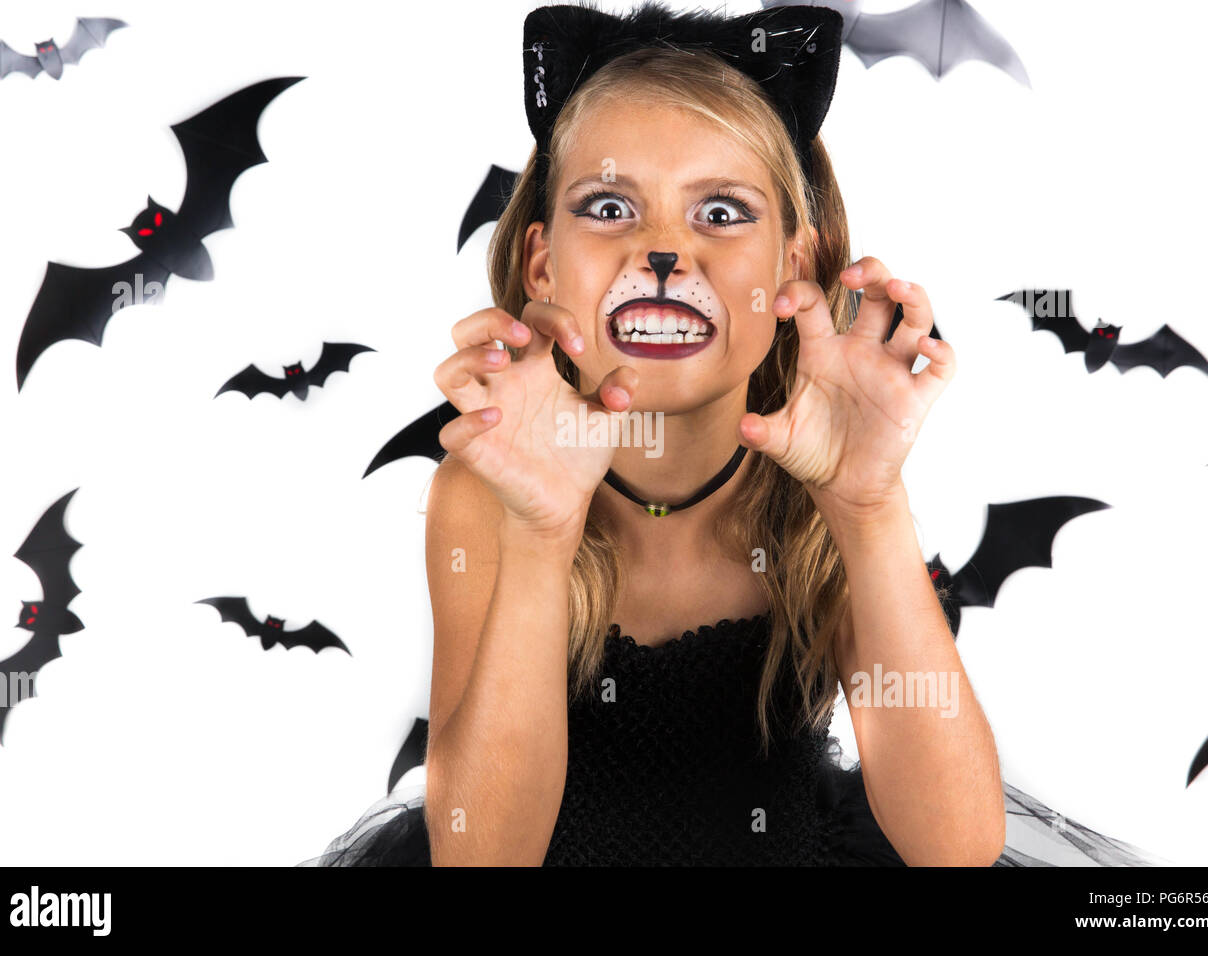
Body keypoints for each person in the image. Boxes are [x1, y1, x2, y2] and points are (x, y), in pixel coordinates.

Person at [301, 2, 1164, 867]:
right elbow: (479, 856)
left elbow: (957, 849)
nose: (665, 252)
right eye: (608, 206)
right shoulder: (486, 496)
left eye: (721, 213)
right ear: (540, 264)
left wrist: (867, 509)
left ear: (795, 264)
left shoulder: (825, 486)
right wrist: (541, 532)